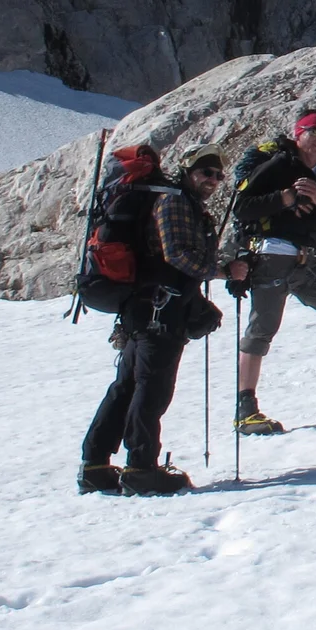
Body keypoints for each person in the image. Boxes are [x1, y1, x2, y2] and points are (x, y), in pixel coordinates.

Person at [79, 148, 225, 496]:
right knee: (152, 386)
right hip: (161, 309)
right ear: (187, 171)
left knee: (127, 385)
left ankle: (95, 466)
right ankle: (141, 468)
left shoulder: (172, 200)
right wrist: (220, 270)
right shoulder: (174, 202)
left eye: (218, 175)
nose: (213, 181)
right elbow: (176, 254)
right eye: (206, 172)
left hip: (143, 306)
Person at [225, 108, 316, 432]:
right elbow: (242, 206)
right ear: (298, 133)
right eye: (313, 131)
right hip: (272, 256)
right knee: (261, 331)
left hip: (307, 260)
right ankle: (245, 408)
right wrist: (285, 198)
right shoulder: (278, 165)